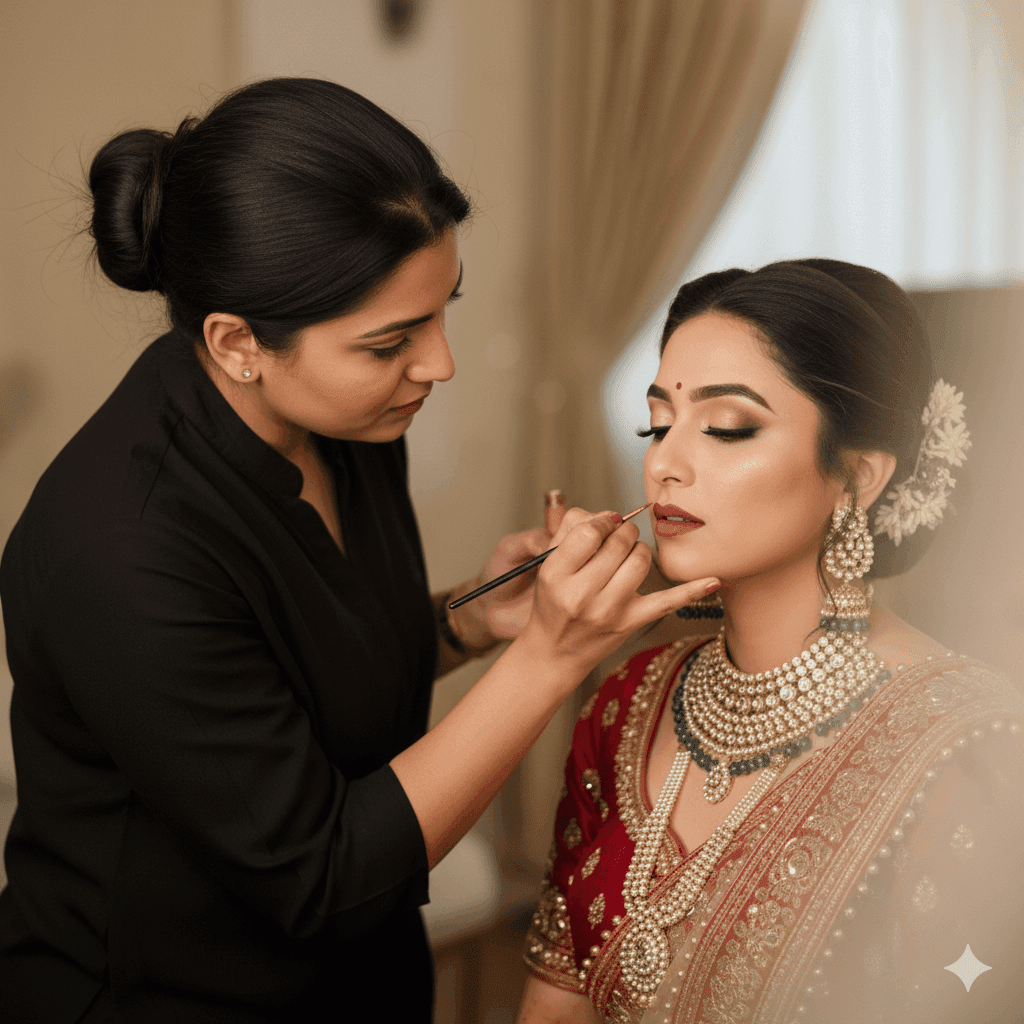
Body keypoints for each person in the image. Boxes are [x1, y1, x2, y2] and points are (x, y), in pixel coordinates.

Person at [0, 78, 719, 1024]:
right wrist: (552, 655)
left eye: (441, 311)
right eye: (392, 342)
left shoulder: (348, 422)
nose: (439, 365)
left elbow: (310, 666)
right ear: (238, 341)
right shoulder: (121, 550)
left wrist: (472, 619)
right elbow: (319, 875)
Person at [518, 260, 1024, 1024]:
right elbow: (555, 1003)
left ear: (856, 476)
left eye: (727, 428)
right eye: (657, 425)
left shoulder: (970, 746)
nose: (663, 462)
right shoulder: (629, 702)